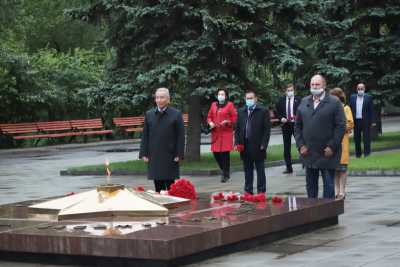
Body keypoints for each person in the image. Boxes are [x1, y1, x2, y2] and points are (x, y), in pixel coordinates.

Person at [294, 75, 345, 199]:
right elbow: (297, 126)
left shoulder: (334, 102)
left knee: (328, 186)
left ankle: (328, 214)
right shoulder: (304, 101)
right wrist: (301, 145)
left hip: (327, 154)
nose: (314, 87)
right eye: (312, 84)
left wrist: (332, 146)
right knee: (311, 187)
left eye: (317, 84)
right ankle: (312, 214)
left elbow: (340, 126)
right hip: (309, 153)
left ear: (324, 86)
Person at [139, 88, 185, 192]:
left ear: (168, 100)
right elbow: (145, 135)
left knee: (170, 186)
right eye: (157, 97)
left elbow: (180, 136)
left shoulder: (176, 114)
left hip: (170, 155)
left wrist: (179, 154)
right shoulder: (149, 114)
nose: (159, 100)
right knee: (158, 186)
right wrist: (144, 153)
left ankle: (172, 205)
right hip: (154, 155)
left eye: (162, 97)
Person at [235, 90, 271, 194]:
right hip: (244, 145)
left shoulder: (263, 111)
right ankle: (248, 190)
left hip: (258, 145)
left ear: (255, 99)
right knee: (247, 170)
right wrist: (237, 143)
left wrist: (264, 144)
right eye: (247, 98)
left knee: (260, 170)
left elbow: (266, 130)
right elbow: (237, 129)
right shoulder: (241, 111)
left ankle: (261, 191)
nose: (249, 100)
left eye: (251, 98)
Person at [207, 88, 238, 182]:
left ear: (226, 96)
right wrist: (210, 122)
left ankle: (225, 174)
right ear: (217, 95)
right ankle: (224, 170)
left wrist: (228, 122)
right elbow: (209, 117)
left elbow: (235, 118)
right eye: (219, 94)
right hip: (216, 133)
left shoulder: (229, 105)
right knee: (216, 153)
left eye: (223, 94)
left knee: (225, 154)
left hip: (226, 133)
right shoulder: (213, 105)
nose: (221, 96)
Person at [330, 88, 354, 199]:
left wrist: (339, 128)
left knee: (342, 169)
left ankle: (342, 191)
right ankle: (336, 190)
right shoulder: (331, 109)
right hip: (333, 143)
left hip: (343, 142)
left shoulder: (345, 108)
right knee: (335, 169)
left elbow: (350, 124)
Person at [276, 83, 301, 174]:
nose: (290, 92)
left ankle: (305, 165)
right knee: (287, 147)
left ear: (294, 91)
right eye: (288, 90)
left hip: (296, 125)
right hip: (286, 125)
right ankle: (288, 167)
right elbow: (277, 112)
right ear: (285, 92)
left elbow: (302, 111)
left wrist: (297, 117)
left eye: (291, 90)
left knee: (300, 144)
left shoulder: (299, 100)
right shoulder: (281, 101)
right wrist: (281, 118)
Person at [349, 83, 374, 157]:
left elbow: (371, 110)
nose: (360, 90)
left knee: (366, 138)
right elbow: (350, 109)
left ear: (364, 89)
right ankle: (358, 154)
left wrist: (372, 122)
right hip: (356, 121)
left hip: (365, 121)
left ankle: (367, 154)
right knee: (357, 139)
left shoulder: (368, 97)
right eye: (359, 89)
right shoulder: (352, 97)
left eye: (361, 89)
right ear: (356, 90)